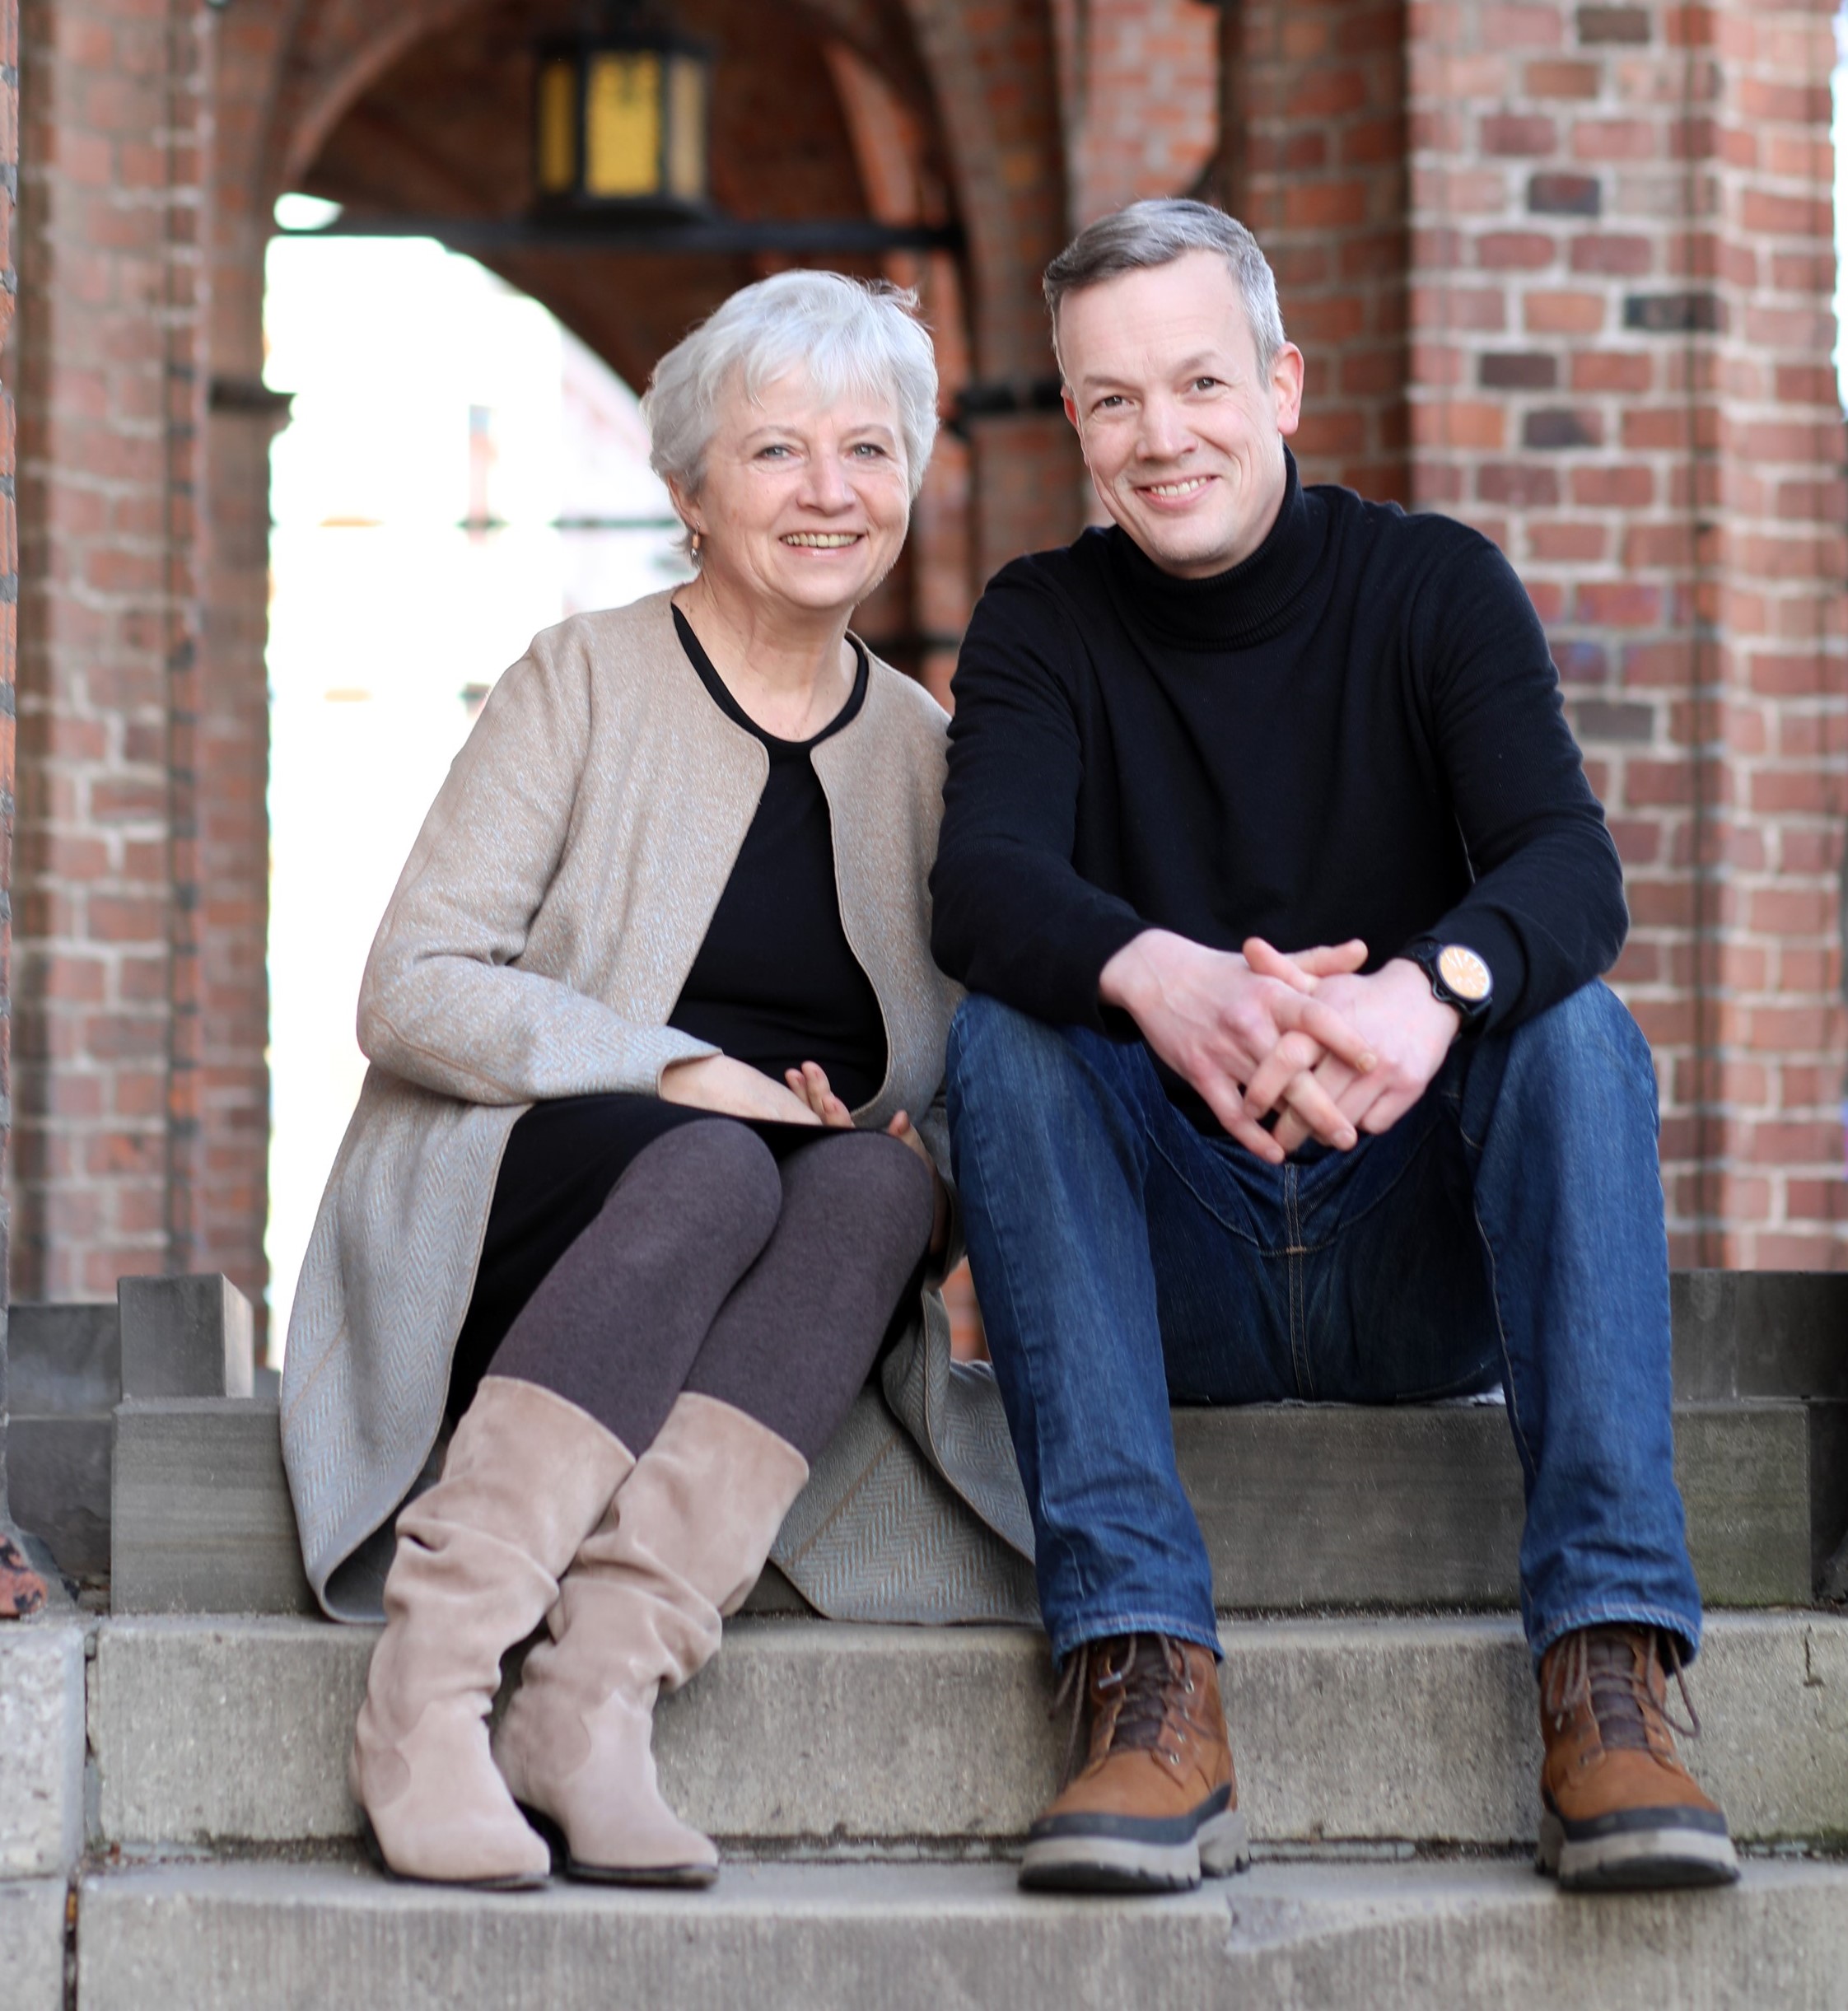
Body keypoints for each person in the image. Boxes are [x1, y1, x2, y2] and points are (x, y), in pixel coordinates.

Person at [932, 199, 1739, 1897]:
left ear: (1283, 383)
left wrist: (1416, 993)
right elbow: (986, 887)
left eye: (1201, 383)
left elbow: (1567, 870)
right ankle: (1145, 1675)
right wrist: (1171, 981)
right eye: (1115, 401)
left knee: (1571, 1033)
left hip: (1412, 1259)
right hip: (1175, 1269)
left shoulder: (1433, 588)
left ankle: (1610, 1676)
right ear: (1073, 421)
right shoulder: (1039, 622)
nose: (1166, 437)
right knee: (1007, 1036)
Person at [280, 270, 1034, 1894]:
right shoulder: (583, 681)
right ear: (690, 489)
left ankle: (594, 1696)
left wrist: (890, 1143)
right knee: (710, 1162)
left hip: (755, 1255)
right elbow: (408, 992)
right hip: (517, 1202)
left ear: (911, 481)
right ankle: (430, 1694)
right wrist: (682, 1071)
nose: (830, 490)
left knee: (880, 1181)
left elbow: (953, 1072)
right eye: (777, 452)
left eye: (869, 448)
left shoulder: (920, 749)